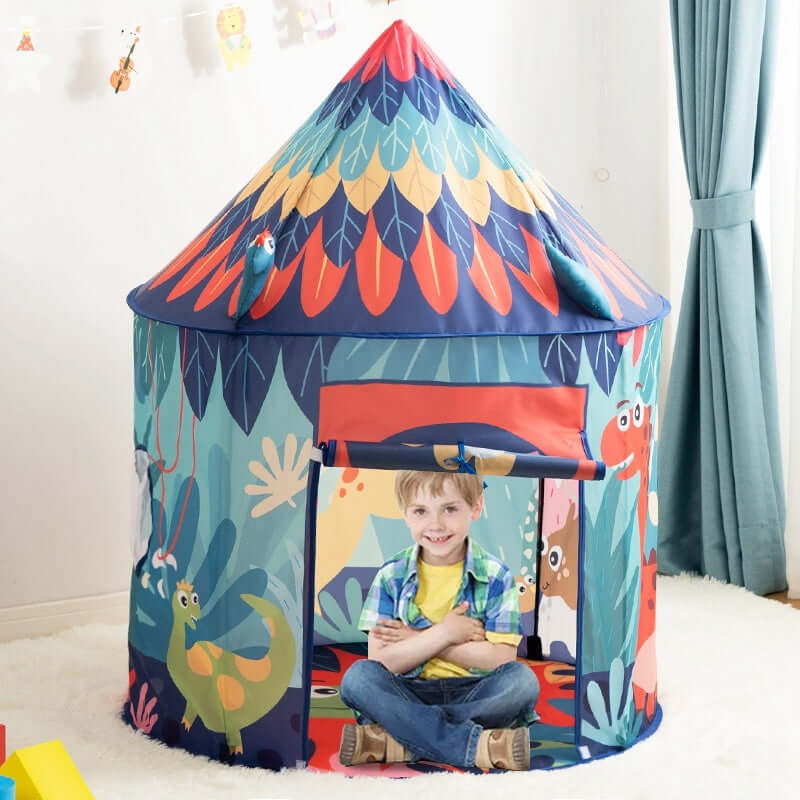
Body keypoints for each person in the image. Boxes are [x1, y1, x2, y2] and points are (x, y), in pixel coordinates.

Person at [338, 469, 539, 771]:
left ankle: (398, 738)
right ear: (405, 514)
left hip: (473, 690)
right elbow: (382, 661)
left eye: (450, 509)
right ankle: (475, 745)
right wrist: (444, 634)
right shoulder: (391, 575)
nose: (435, 525)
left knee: (522, 682)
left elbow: (500, 658)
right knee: (358, 679)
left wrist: (421, 640)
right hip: (407, 689)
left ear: (475, 507)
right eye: (420, 511)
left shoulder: (495, 576)